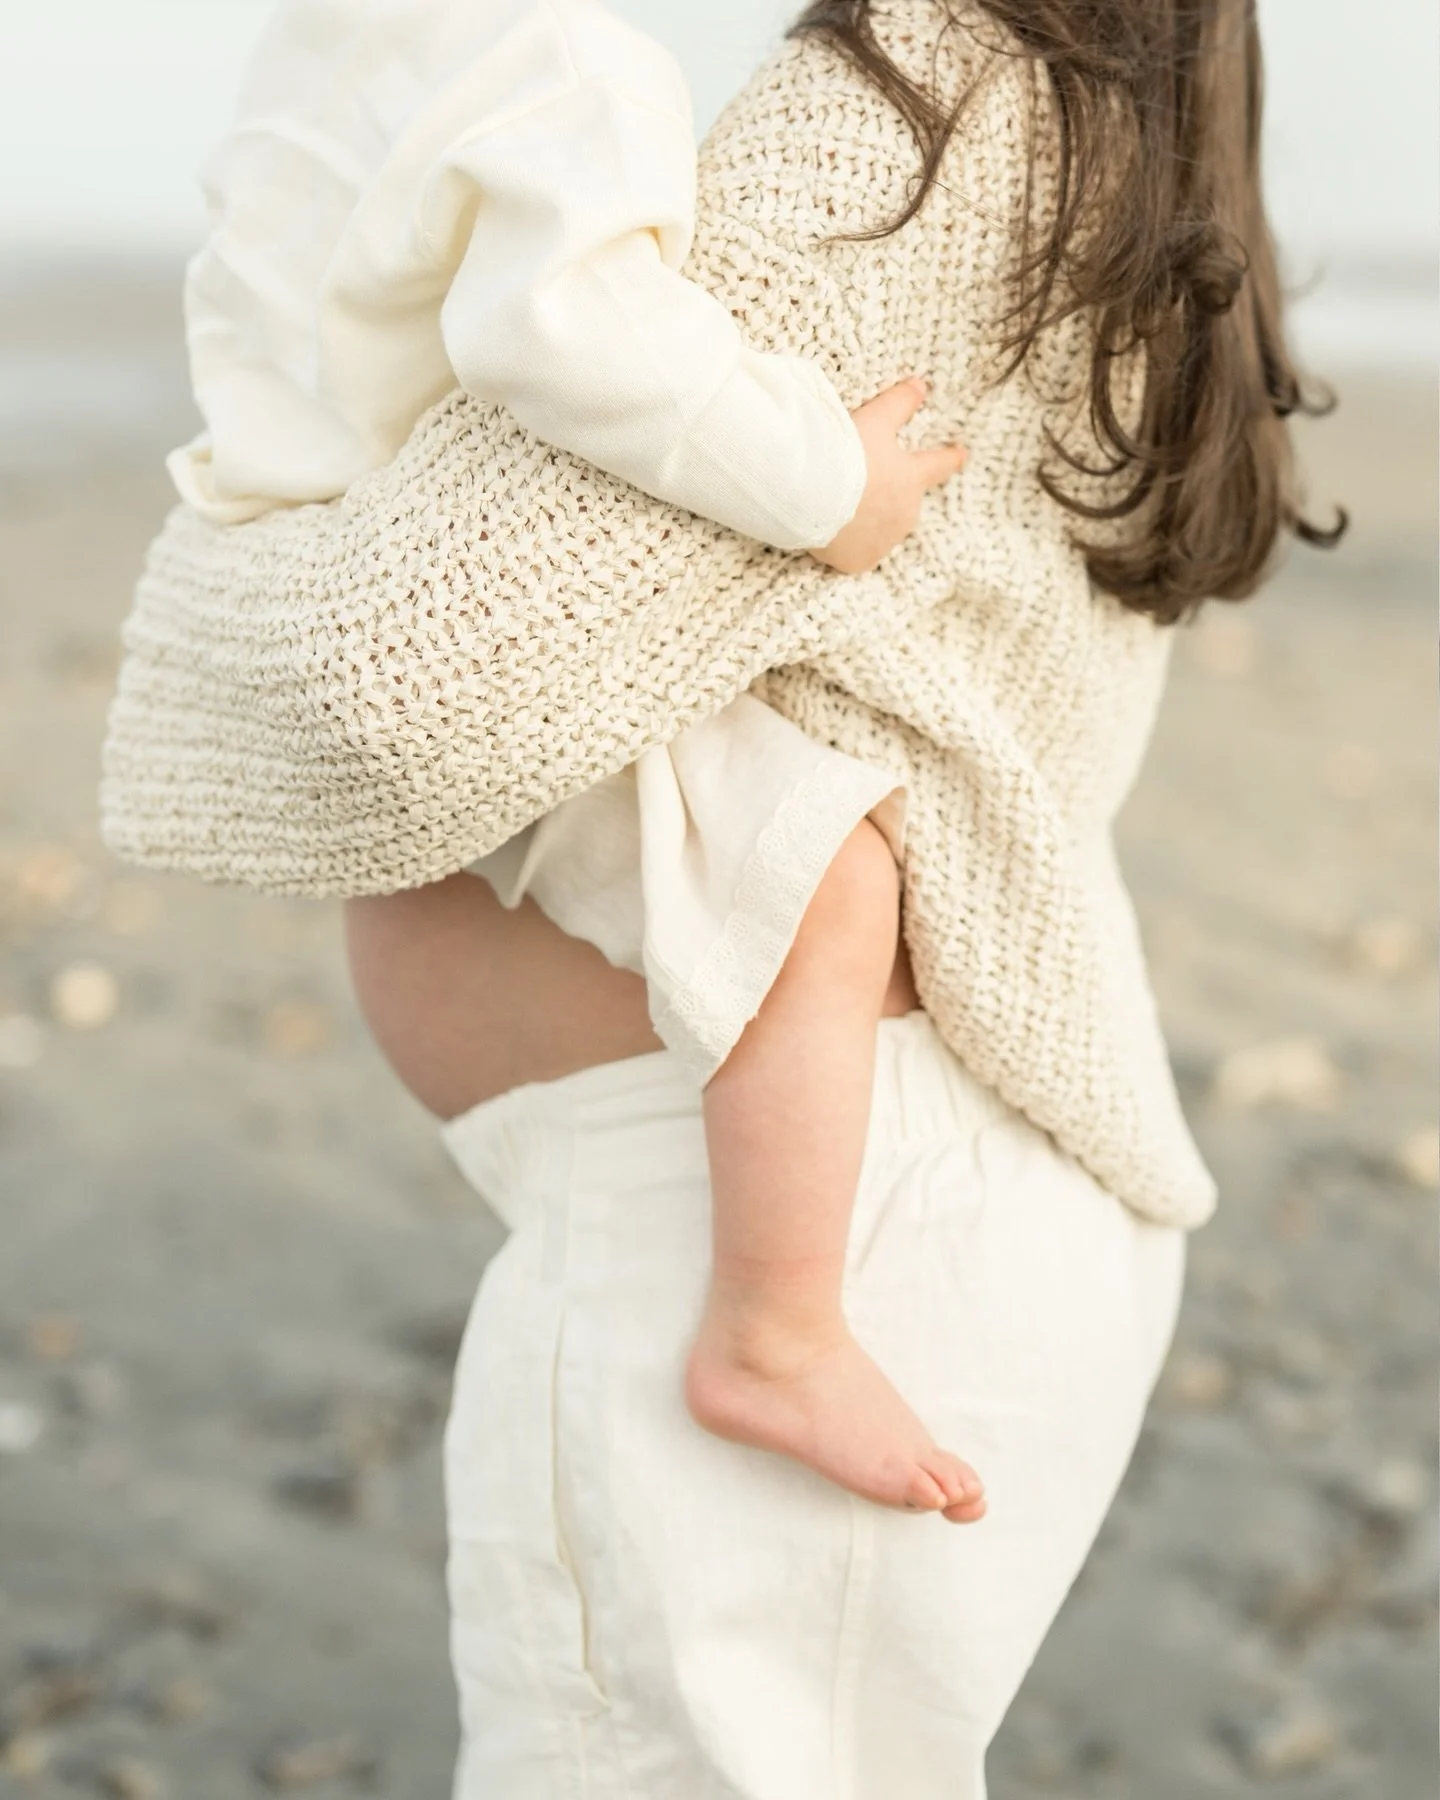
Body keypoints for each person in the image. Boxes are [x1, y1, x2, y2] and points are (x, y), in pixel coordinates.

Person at [103, 0, 1342, 1789]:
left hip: (807, 1231)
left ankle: (780, 1333)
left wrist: (214, 604)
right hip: (963, 1191)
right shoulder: (1125, 134)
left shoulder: (909, 104)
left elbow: (384, 671)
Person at [170, 0, 984, 1521]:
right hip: (460, 633)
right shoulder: (566, 66)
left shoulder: (315, 52)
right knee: (827, 878)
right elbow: (585, 336)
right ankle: (775, 1327)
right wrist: (831, 482)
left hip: (299, 547)